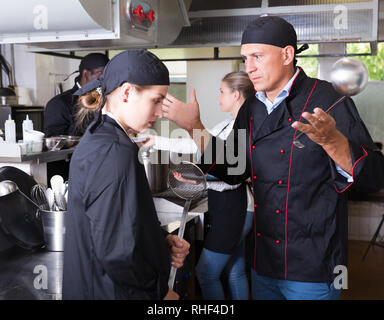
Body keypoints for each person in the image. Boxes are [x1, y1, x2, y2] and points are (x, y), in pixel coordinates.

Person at [161, 16, 384, 300]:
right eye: (245, 58)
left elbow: (374, 176)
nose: (249, 67)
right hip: (265, 261)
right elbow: (233, 168)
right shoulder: (251, 107)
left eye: (257, 56)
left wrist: (334, 142)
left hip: (314, 262)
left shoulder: (327, 98)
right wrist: (195, 127)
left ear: (287, 54)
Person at [62, 49, 190, 300]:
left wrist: (160, 241)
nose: (161, 112)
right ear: (128, 92)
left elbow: (119, 223)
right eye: (156, 100)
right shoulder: (113, 152)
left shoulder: (105, 136)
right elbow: (118, 253)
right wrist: (160, 292)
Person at [142, 71, 255, 300]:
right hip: (231, 206)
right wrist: (157, 140)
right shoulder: (226, 125)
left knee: (206, 273)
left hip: (236, 207)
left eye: (222, 92)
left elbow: (235, 175)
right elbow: (196, 144)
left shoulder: (244, 128)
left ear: (236, 95)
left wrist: (198, 177)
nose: (218, 97)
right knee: (234, 271)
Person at [44, 53, 110, 181]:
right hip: (69, 176)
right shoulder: (59, 103)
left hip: (98, 172)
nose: (105, 81)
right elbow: (55, 145)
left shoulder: (104, 100)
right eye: (102, 75)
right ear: (86, 74)